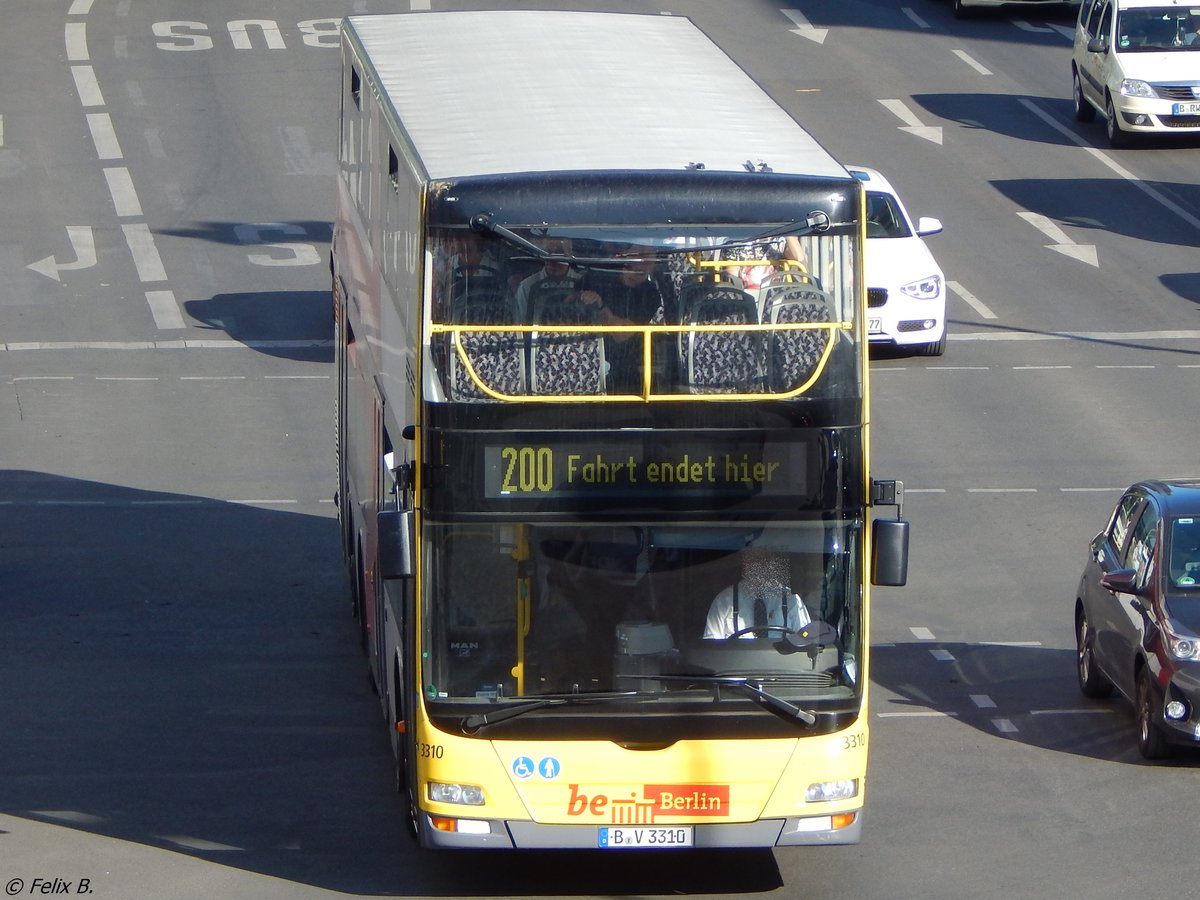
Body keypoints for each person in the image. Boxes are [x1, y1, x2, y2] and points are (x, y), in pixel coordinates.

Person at [577, 247, 664, 393]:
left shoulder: (650, 293)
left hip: (631, 367)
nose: (640, 265)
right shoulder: (596, 278)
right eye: (637, 258)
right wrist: (581, 297)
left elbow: (622, 335)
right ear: (624, 259)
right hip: (582, 357)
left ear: (653, 267)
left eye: (648, 262)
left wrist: (600, 307)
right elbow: (565, 300)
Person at [702, 548, 810, 640]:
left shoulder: (791, 599)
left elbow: (806, 637)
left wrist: (805, 635)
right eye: (755, 559)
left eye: (766, 559)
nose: (761, 565)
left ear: (774, 563)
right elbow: (711, 646)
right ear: (745, 563)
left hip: (782, 664)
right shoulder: (724, 601)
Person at [512, 236, 581, 322]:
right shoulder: (527, 286)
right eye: (547, 253)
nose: (553, 260)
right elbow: (521, 323)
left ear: (570, 254)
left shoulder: (584, 284)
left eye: (559, 253)